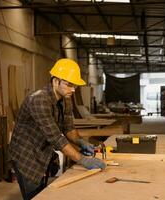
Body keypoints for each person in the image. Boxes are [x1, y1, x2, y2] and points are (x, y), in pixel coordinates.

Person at [8, 58, 106, 200]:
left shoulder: (65, 99)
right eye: (69, 85)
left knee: (43, 192)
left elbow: (68, 128)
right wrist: (83, 160)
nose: (73, 90)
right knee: (34, 195)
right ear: (55, 81)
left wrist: (81, 142)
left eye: (75, 86)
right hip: (26, 155)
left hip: (43, 152)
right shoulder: (39, 100)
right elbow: (56, 138)